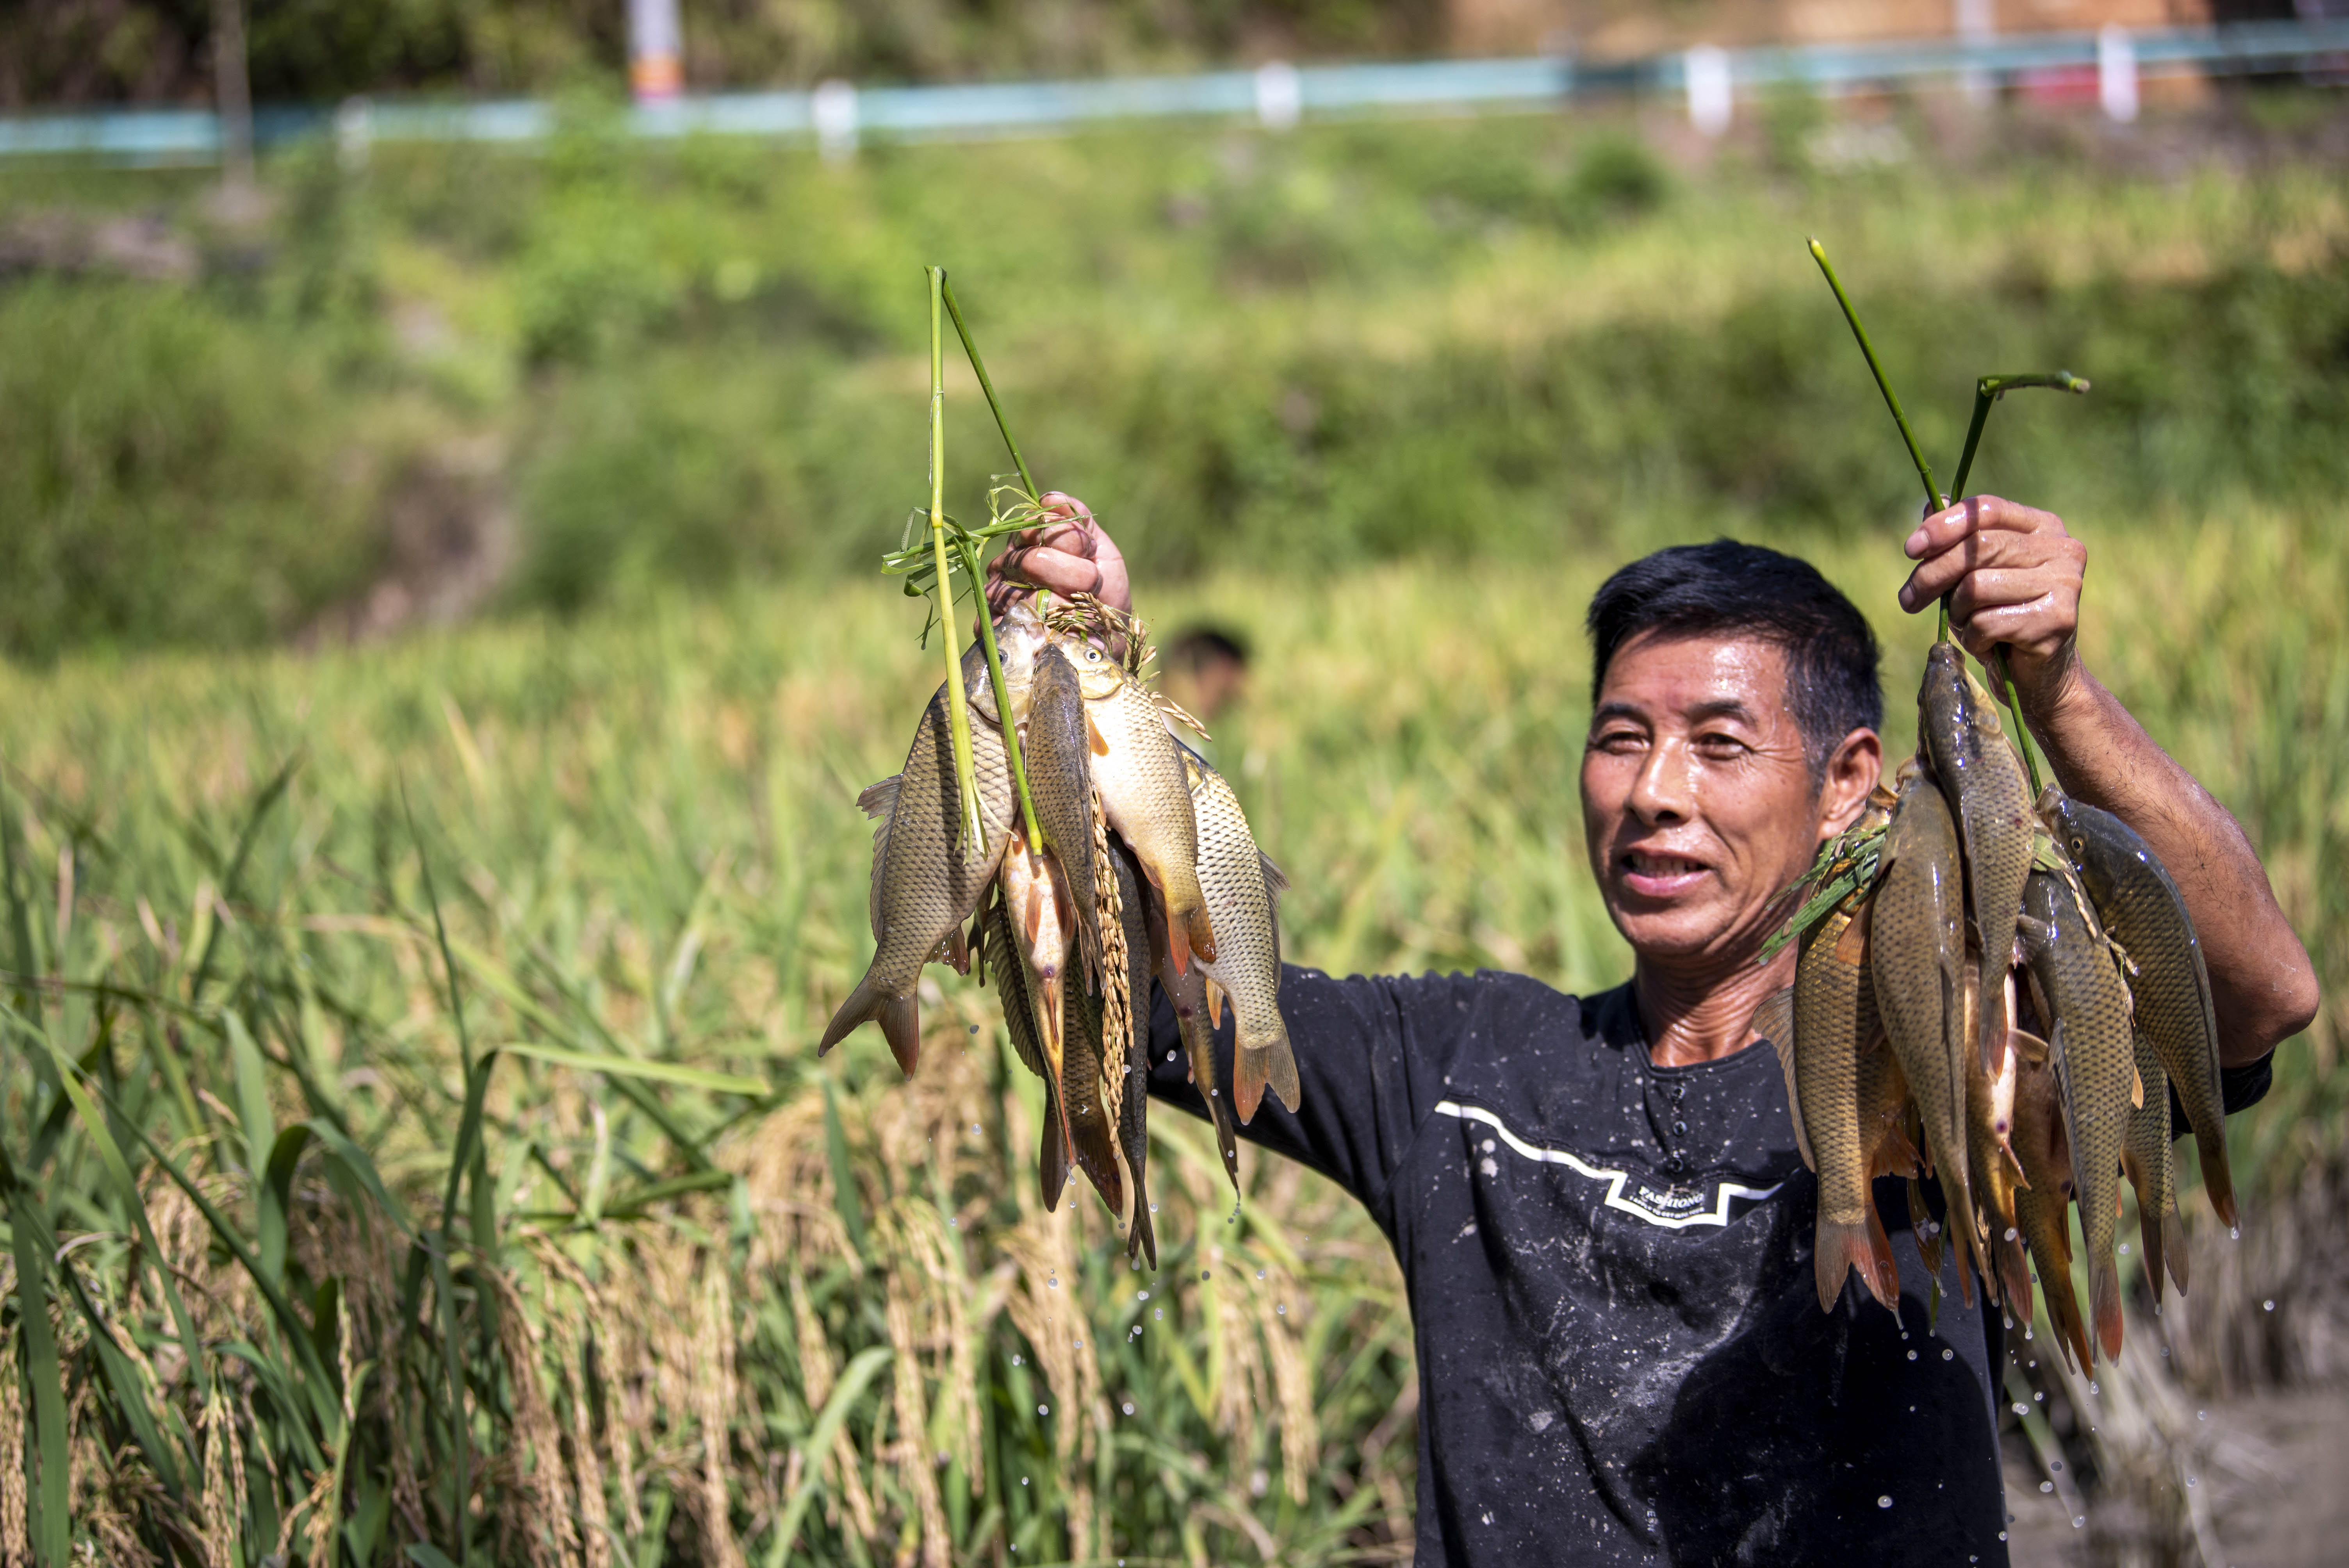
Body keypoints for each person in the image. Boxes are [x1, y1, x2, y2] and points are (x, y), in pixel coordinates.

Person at [985, 493, 2320, 1566]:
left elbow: (2261, 1000)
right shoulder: (1455, 1072)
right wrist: (1078, 676)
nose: (1656, 794)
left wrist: (2058, 695)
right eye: (1621, 738)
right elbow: (1126, 1006)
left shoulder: (1937, 1058)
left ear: (1852, 783)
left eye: (1721, 745)